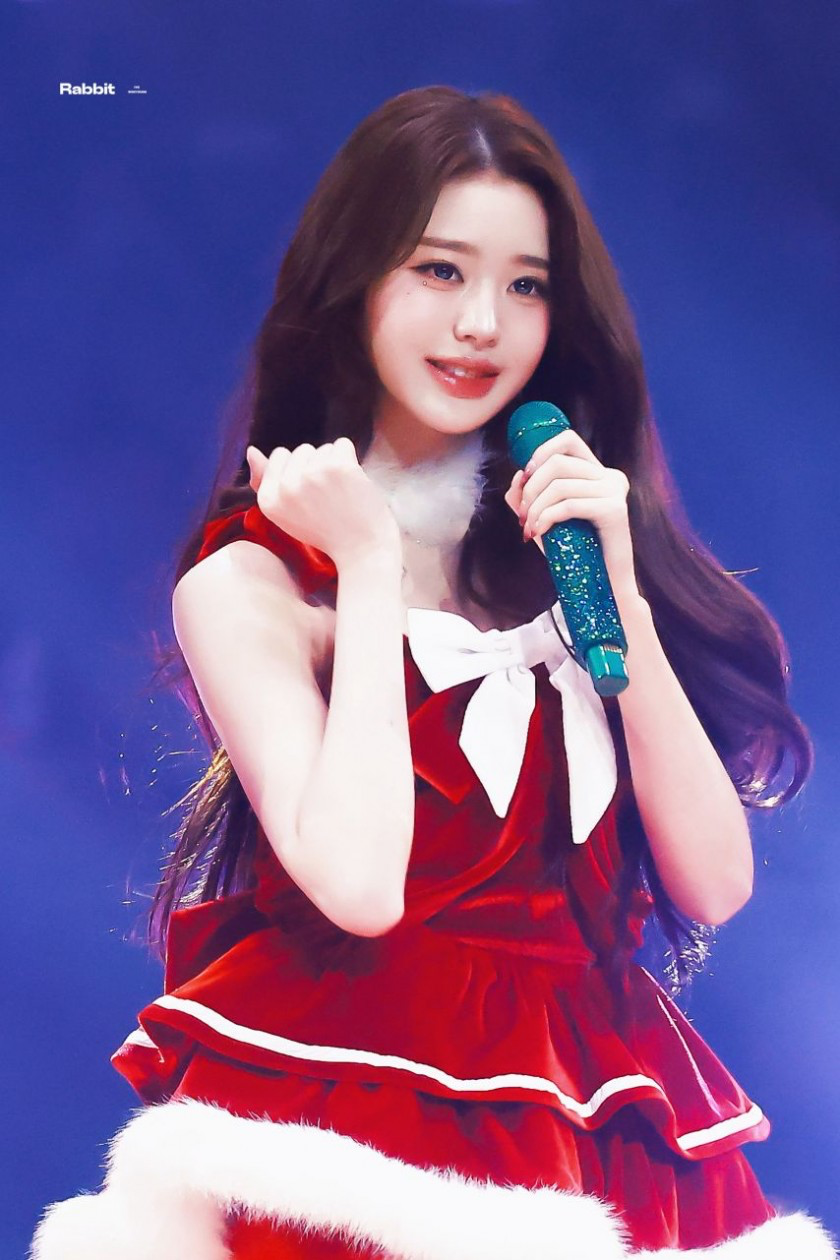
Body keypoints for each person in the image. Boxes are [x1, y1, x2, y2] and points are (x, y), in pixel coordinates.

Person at [31, 86, 835, 1260]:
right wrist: (369, 568)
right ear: (355, 279)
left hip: (600, 1110)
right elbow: (359, 887)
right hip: (355, 1126)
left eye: (527, 286)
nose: (482, 324)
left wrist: (619, 595)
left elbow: (714, 884)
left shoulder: (562, 552)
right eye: (440, 271)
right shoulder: (254, 580)